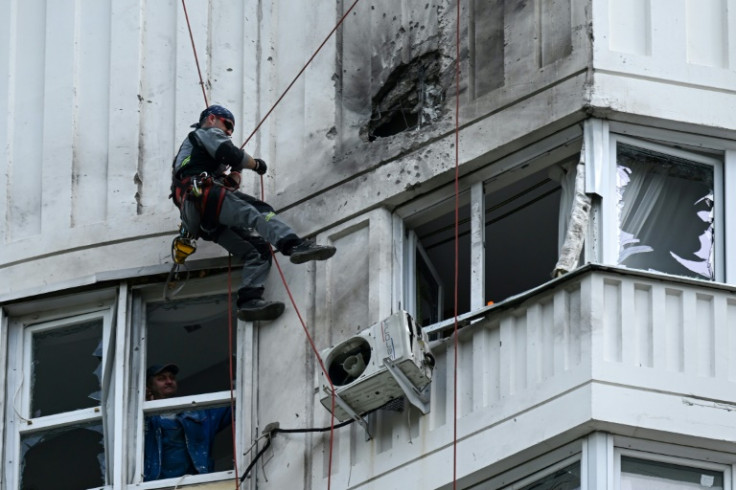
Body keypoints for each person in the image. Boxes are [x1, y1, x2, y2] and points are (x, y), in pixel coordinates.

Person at [170, 105, 336, 321]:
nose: (228, 132)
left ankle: (249, 301)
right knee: (258, 211)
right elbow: (229, 153)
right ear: (212, 118)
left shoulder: (193, 157)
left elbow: (229, 184)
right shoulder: (205, 133)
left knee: (257, 250)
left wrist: (235, 171)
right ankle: (293, 245)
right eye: (227, 125)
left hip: (201, 218)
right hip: (205, 198)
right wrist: (255, 164)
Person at [143, 363, 233, 481]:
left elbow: (234, 407)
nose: (169, 381)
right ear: (148, 387)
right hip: (156, 485)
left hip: (194, 483)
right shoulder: (144, 419)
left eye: (172, 378)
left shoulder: (200, 415)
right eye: (161, 379)